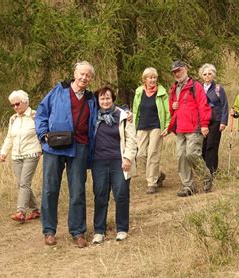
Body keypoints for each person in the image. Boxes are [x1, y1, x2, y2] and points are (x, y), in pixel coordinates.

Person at [35, 61, 97, 248]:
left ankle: (78, 232)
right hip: (54, 147)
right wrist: (43, 134)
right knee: (49, 189)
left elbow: (106, 110)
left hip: (79, 147)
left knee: (77, 190)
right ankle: (49, 231)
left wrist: (124, 112)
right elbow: (41, 113)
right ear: (75, 73)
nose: (84, 78)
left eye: (88, 75)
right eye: (81, 74)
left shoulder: (91, 99)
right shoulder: (58, 91)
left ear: (91, 78)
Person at [91, 86, 137, 244]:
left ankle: (122, 229)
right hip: (98, 162)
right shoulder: (93, 117)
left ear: (113, 99)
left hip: (120, 161)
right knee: (100, 196)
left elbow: (131, 139)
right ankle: (99, 231)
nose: (105, 101)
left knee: (121, 194)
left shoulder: (123, 116)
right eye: (102, 98)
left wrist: (128, 158)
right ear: (97, 100)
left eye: (108, 98)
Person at [167, 60, 213, 197]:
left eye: (179, 70)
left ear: (185, 69)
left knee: (191, 154)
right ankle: (188, 186)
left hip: (194, 127)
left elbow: (203, 105)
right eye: (174, 72)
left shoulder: (195, 86)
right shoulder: (174, 88)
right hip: (180, 127)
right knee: (181, 156)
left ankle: (206, 177)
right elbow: (172, 108)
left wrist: (204, 124)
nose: (177, 73)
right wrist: (172, 106)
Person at [0, 90, 42, 223]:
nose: (15, 107)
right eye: (12, 105)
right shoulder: (13, 119)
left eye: (17, 104)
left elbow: (42, 132)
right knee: (22, 183)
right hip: (16, 155)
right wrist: (3, 152)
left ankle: (21, 212)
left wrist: (43, 149)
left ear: (25, 102)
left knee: (24, 183)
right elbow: (9, 137)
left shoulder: (35, 115)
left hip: (32, 153)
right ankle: (35, 210)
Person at [132, 67, 170, 194]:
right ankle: (158, 175)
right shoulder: (139, 92)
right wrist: (133, 126)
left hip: (156, 126)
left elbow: (167, 111)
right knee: (140, 155)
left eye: (154, 77)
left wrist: (167, 126)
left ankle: (152, 182)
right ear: (145, 79)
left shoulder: (162, 93)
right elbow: (135, 110)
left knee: (153, 154)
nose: (153, 80)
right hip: (141, 126)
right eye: (150, 77)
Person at [199, 63, 229, 175]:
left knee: (212, 145)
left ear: (213, 75)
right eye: (205, 74)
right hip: (202, 121)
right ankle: (203, 169)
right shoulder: (199, 88)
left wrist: (223, 122)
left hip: (216, 120)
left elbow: (224, 105)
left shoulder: (218, 88)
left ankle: (211, 171)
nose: (207, 76)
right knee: (203, 146)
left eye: (209, 73)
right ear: (202, 76)